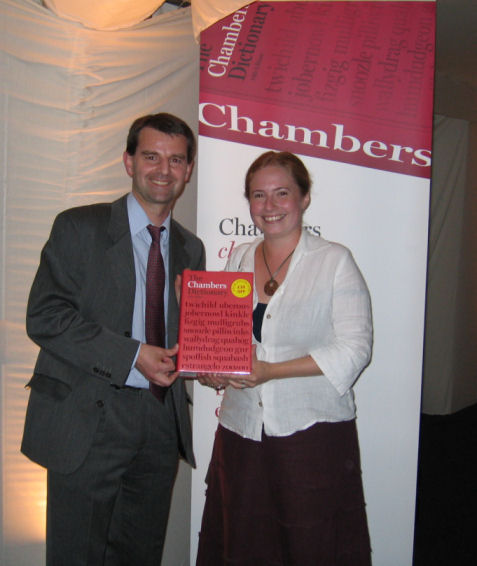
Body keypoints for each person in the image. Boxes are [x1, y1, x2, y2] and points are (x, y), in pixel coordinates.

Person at [21, 113, 205, 566]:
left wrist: (207, 356)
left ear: (188, 170)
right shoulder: (79, 227)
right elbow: (45, 316)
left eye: (176, 160)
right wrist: (131, 355)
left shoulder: (191, 248)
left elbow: (185, 338)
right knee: (76, 555)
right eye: (151, 156)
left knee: (140, 554)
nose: (163, 170)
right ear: (129, 161)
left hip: (160, 422)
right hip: (89, 417)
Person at [196, 151, 373, 566]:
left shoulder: (334, 261)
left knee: (312, 546)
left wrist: (270, 372)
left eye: (282, 193)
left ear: (304, 198)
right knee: (243, 544)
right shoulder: (240, 257)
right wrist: (210, 368)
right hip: (242, 431)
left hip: (310, 434)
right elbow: (226, 338)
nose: (269, 205)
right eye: (259, 195)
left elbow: (355, 349)